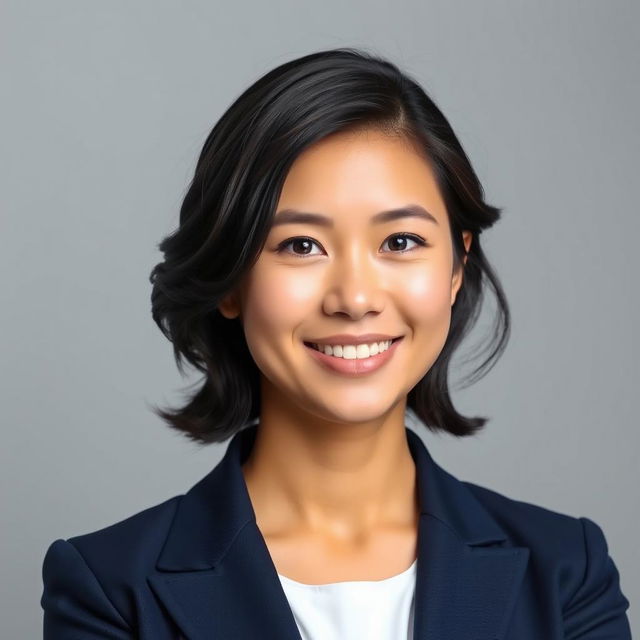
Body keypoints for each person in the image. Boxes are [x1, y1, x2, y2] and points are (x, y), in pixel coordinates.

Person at [40, 47, 631, 639]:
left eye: (400, 242)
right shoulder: (110, 588)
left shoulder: (566, 573)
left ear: (457, 266)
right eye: (300, 245)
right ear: (230, 281)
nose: (354, 298)